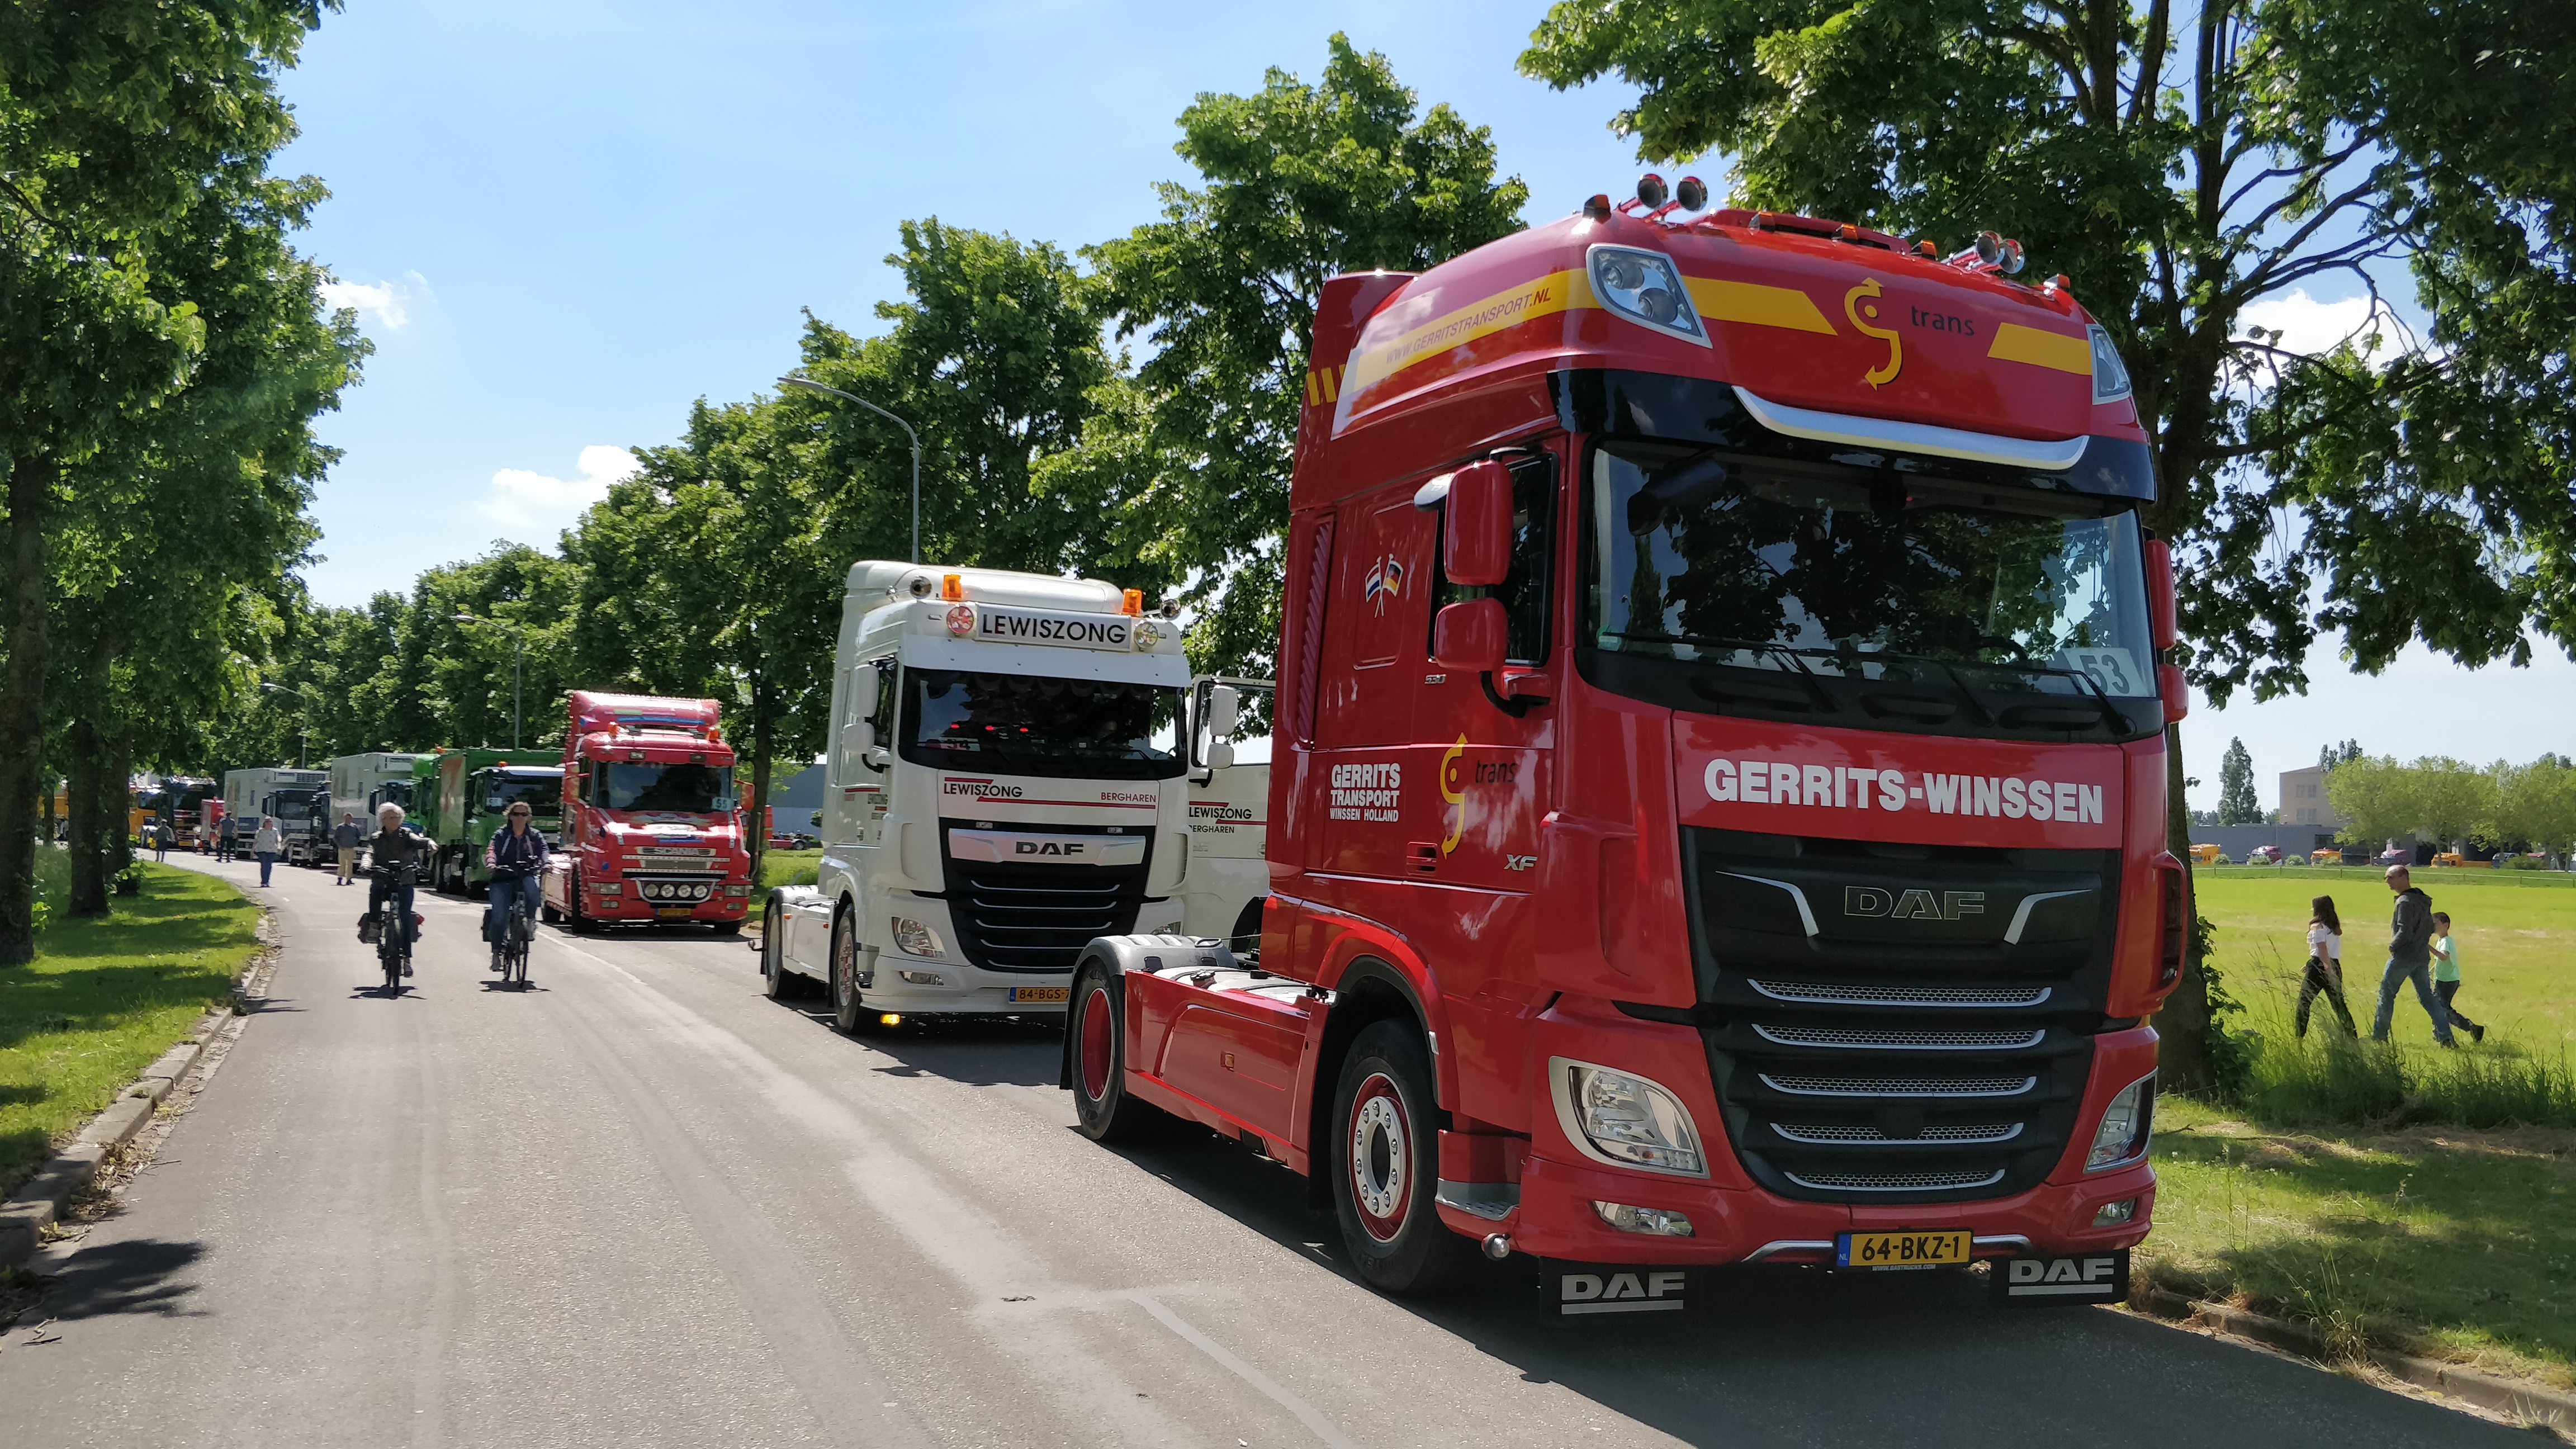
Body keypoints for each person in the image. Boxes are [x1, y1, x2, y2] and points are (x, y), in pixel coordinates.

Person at [2370, 864, 2454, 1046]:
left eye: (2390, 877)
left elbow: (2404, 931)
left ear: (2403, 877)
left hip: (2404, 957)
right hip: (2421, 956)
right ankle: (2446, 1037)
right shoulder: (2422, 900)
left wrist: (2393, 946)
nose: (2387, 882)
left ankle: (2379, 1037)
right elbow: (2429, 927)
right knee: (2427, 998)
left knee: (2386, 994)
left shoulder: (2405, 902)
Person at [482, 801, 549, 972]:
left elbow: (544, 850)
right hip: (502, 877)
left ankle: (531, 922)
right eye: (516, 814)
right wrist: (491, 863)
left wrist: (546, 863)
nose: (520, 818)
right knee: (500, 916)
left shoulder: (534, 835)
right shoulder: (501, 834)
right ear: (510, 816)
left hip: (526, 874)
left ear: (528, 817)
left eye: (524, 815)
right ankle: (496, 954)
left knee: (533, 888)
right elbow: (492, 850)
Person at [364, 803, 432, 975]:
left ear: (401, 819)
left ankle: (407, 960)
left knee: (405, 919)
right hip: (383, 879)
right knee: (376, 889)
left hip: (404, 880)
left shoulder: (407, 835)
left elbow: (418, 841)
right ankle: (374, 926)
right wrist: (366, 865)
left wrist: (429, 842)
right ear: (382, 820)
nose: (392, 821)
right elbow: (369, 853)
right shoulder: (376, 838)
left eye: (395, 817)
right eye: (388, 818)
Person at [2295, 894, 2356, 1037]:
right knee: (2339, 1005)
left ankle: (2298, 1037)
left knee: (2304, 1003)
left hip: (2320, 967)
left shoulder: (2317, 927)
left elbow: (2322, 949)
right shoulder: (2333, 927)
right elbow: (2327, 950)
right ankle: (2352, 1037)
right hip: (2334, 964)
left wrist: (2326, 969)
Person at [2431, 911, 2485, 1043]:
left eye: (2435, 923)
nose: (2432, 926)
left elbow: (2444, 957)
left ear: (2445, 925)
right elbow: (2440, 961)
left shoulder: (2446, 941)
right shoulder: (2441, 941)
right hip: (2444, 980)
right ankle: (2440, 1033)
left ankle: (2470, 1028)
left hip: (2447, 981)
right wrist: (2431, 971)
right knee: (2440, 1007)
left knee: (2441, 1009)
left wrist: (2428, 948)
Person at [333, 812, 364, 886]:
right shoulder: (340, 827)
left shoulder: (354, 827)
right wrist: (340, 846)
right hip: (342, 849)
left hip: (351, 849)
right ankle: (340, 879)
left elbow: (358, 836)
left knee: (350, 865)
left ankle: (349, 879)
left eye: (349, 818)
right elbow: (335, 838)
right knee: (342, 864)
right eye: (346, 818)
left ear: (351, 819)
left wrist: (355, 843)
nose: (348, 819)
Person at [253, 816, 283, 887]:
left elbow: (278, 839)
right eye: (267, 822)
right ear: (264, 823)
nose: (269, 823)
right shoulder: (260, 831)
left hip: (271, 851)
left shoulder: (275, 831)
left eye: (270, 822)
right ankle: (263, 882)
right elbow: (256, 841)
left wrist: (279, 846)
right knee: (264, 865)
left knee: (269, 866)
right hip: (262, 850)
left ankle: (267, 881)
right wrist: (253, 850)